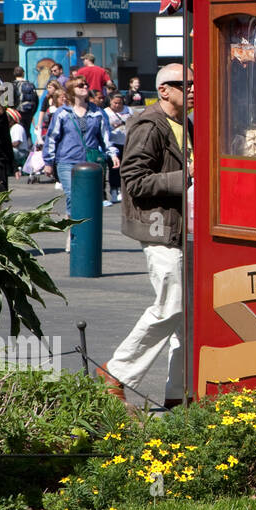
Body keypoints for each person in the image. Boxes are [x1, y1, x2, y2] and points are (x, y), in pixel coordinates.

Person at [97, 64, 192, 410]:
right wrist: (186, 175)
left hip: (184, 229)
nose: (194, 89)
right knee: (172, 304)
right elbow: (133, 181)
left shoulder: (188, 124)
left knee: (189, 315)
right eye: (186, 84)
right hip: (159, 229)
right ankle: (117, 372)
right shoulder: (150, 124)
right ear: (164, 89)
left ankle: (180, 394)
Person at [43, 77, 120, 230]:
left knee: (89, 198)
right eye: (80, 85)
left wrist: (113, 154)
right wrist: (48, 162)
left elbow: (105, 136)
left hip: (91, 162)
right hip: (66, 161)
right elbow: (52, 138)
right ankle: (74, 233)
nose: (85, 86)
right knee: (73, 195)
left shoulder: (97, 112)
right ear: (72, 90)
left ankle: (82, 231)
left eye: (86, 84)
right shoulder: (62, 113)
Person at [103, 91, 132, 203]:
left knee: (126, 167)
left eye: (120, 103)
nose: (118, 105)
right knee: (114, 168)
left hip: (126, 143)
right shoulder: (105, 112)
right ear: (110, 102)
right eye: (115, 103)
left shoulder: (128, 110)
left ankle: (122, 189)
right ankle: (114, 190)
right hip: (113, 143)